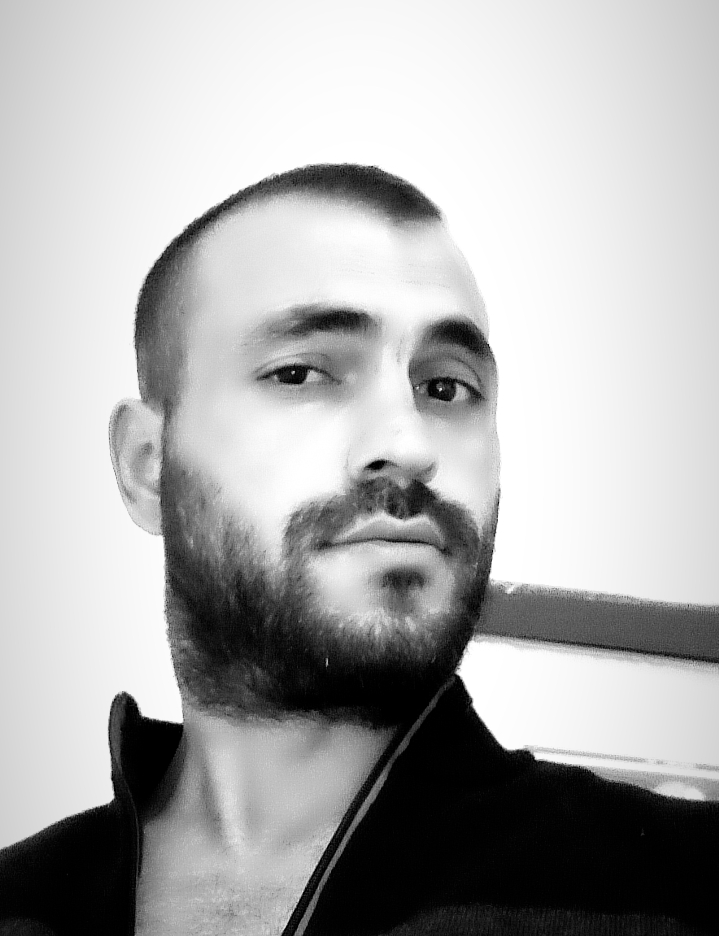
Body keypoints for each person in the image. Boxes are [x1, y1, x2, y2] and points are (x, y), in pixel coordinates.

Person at [0, 164, 716, 936]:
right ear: (149, 467)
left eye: (445, 387)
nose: (408, 445)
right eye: (301, 373)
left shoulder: (684, 888)